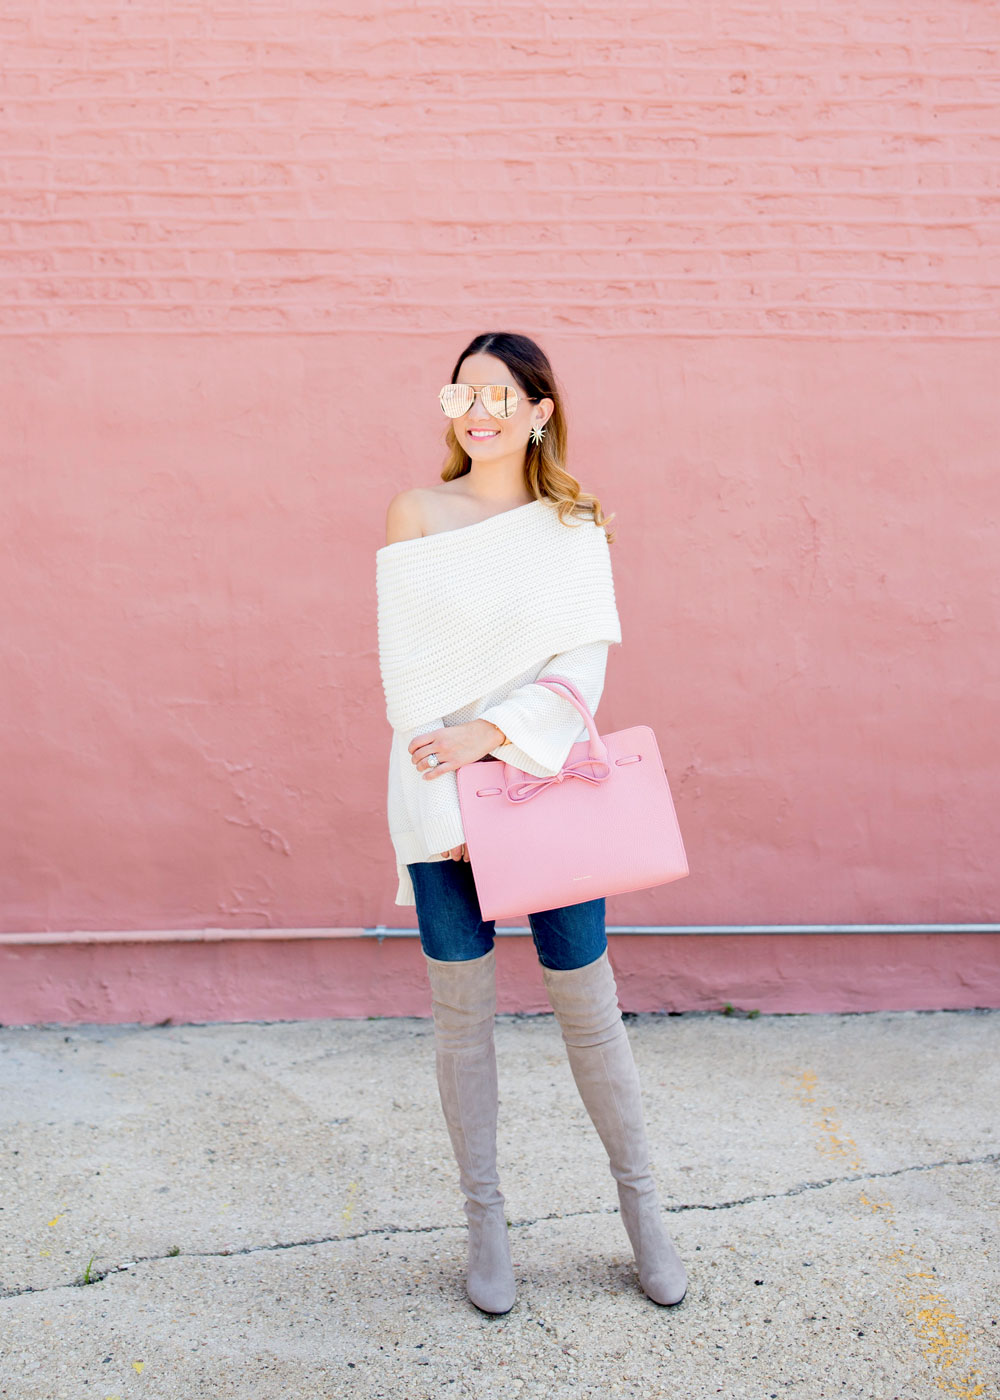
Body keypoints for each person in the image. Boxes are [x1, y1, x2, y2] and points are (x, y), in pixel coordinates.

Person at [375, 331, 687, 1315]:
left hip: (548, 790)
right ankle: (486, 1227)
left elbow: (580, 675)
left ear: (539, 410)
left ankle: (644, 1214)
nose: (475, 409)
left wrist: (494, 739)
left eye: (498, 394)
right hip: (437, 796)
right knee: (462, 1020)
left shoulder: (572, 526)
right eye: (460, 392)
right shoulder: (416, 513)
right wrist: (456, 788)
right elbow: (407, 683)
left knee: (587, 1008)